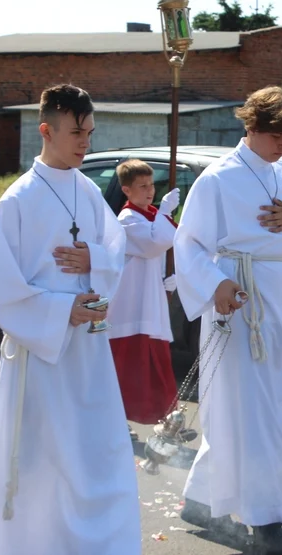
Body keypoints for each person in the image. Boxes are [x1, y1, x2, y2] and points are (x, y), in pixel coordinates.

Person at [0, 84, 141, 555]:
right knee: (46, 467)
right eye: (76, 132)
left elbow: (116, 250)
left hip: (88, 353)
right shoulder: (18, 200)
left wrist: (94, 261)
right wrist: (58, 310)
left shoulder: (87, 189)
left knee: (98, 458)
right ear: (46, 130)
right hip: (41, 358)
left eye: (89, 132)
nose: (85, 141)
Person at [174, 86, 282, 555]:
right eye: (276, 135)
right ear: (251, 127)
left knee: (259, 407)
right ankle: (266, 521)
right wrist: (214, 284)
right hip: (236, 299)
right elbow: (189, 244)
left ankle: (200, 498)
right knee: (250, 412)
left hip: (279, 300)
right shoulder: (218, 179)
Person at [107, 159, 180, 431]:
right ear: (127, 191)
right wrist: (164, 211)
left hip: (150, 301)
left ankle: (166, 418)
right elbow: (153, 244)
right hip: (131, 307)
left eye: (151, 185)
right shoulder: (127, 220)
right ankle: (116, 419)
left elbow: (167, 244)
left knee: (156, 363)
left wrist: (168, 279)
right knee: (128, 368)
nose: (150, 191)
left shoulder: (149, 216)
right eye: (142, 186)